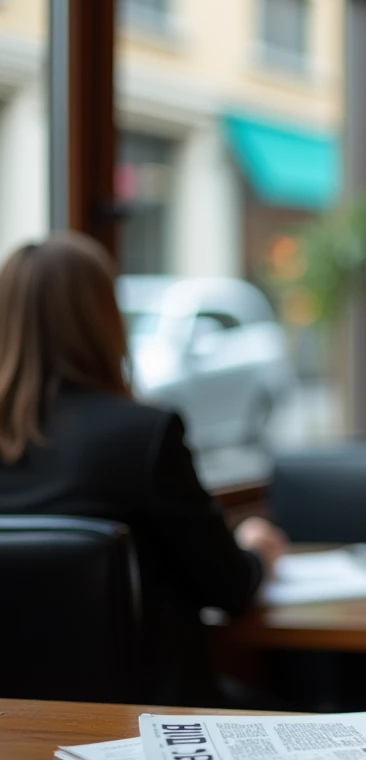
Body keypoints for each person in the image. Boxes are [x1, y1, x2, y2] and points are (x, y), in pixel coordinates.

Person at [0, 232, 289, 706]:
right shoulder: (142, 433)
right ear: (102, 321)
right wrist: (257, 549)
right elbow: (229, 588)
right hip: (146, 721)